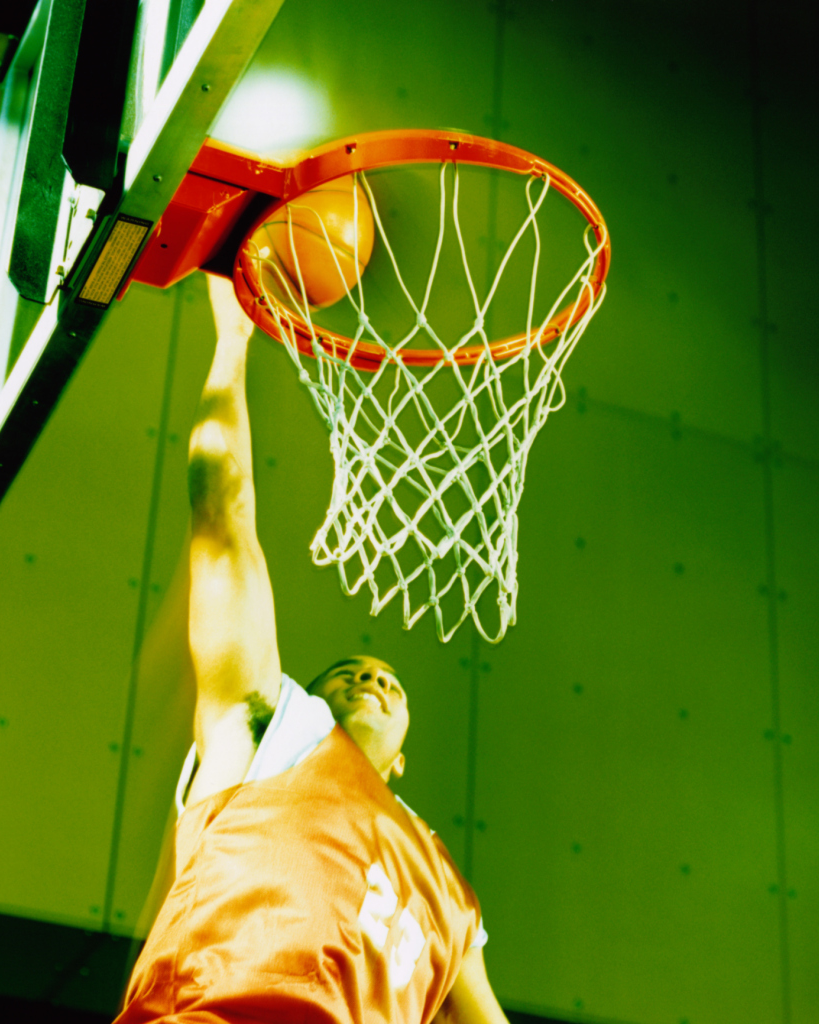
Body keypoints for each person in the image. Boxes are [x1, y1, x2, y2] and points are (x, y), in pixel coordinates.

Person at [114, 275, 508, 1024]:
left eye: (390, 682)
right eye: (349, 672)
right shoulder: (272, 726)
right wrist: (233, 345)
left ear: (400, 762)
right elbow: (222, 520)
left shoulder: (450, 897)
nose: (372, 678)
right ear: (312, 696)